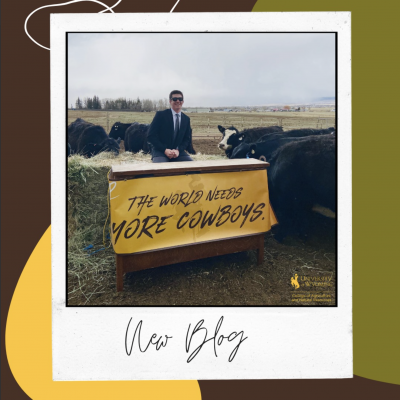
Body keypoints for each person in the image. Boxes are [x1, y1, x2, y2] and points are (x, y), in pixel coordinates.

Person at [147, 90, 194, 163]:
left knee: (191, 166)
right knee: (160, 169)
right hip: (160, 151)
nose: (178, 101)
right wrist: (165, 150)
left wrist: (178, 150)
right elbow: (150, 136)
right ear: (170, 101)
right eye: (175, 99)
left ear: (183, 101)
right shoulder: (160, 115)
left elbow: (186, 139)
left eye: (180, 99)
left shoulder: (186, 119)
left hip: (177, 153)